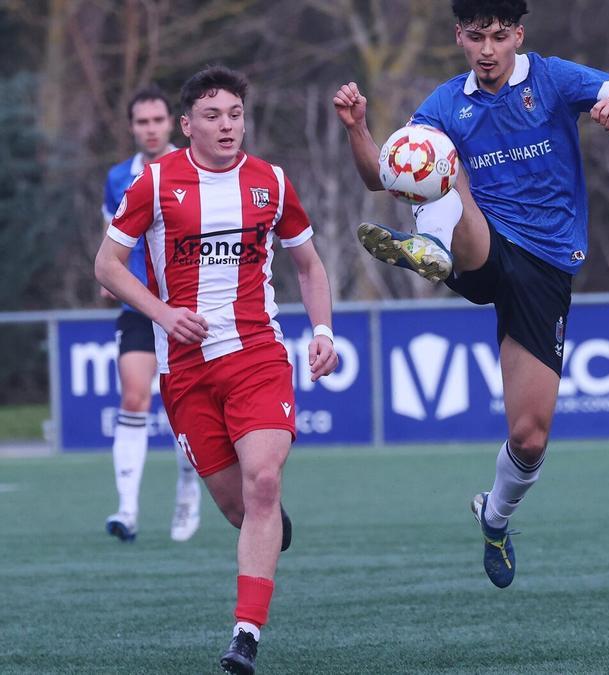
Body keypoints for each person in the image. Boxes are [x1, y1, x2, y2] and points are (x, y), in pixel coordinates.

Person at [333, 0, 609, 588]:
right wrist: (359, 129)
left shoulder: (555, 79)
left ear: (518, 36)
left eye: (499, 36)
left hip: (547, 266)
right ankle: (431, 246)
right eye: (476, 36)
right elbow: (379, 177)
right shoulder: (445, 103)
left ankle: (495, 515)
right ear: (459, 36)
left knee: (528, 437)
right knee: (432, 152)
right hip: (480, 244)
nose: (488, 49)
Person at [95, 65, 339, 675]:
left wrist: (324, 331)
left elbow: (309, 266)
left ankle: (245, 636)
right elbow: (107, 266)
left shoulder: (273, 182)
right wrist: (163, 313)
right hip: (186, 373)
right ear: (186, 126)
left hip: (258, 357)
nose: (227, 125)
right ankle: (265, 520)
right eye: (212, 116)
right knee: (240, 507)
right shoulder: (154, 183)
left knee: (261, 482)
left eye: (234, 114)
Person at [100, 85, 204, 544]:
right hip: (142, 307)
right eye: (142, 122)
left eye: (157, 120)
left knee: (188, 409)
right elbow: (112, 240)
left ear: (173, 122)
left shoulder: (196, 166)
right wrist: (111, 278)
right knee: (134, 398)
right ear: (132, 127)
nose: (150, 128)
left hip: (191, 304)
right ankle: (127, 509)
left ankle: (187, 490)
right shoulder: (118, 176)